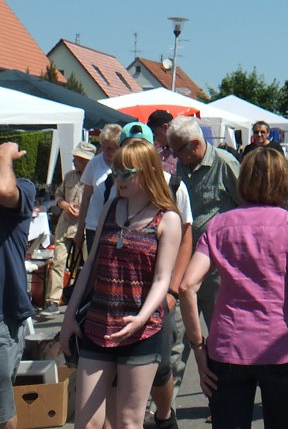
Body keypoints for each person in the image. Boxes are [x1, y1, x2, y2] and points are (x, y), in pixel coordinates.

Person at [179, 146, 288, 429]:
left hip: (228, 346)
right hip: (282, 346)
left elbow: (186, 286)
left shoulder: (219, 225)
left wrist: (198, 347)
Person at [59, 138, 182, 429]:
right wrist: (68, 317)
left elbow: (163, 278)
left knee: (129, 421)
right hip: (98, 323)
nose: (120, 178)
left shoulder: (168, 219)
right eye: (117, 171)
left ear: (149, 171)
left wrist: (141, 318)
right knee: (86, 423)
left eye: (128, 172)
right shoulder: (111, 206)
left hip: (141, 331)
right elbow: (90, 265)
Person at [167, 116, 240, 389]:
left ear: (195, 145)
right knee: (177, 336)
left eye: (177, 151)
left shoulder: (225, 165)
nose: (173, 156)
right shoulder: (180, 170)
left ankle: (223, 398)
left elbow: (248, 209)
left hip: (219, 269)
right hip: (185, 265)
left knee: (222, 335)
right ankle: (163, 410)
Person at [0, 141, 36, 429]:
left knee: (1, 410)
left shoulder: (23, 187)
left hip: (3, 316)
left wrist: (4, 155)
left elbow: (4, 190)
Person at [40, 140, 97, 316]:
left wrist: (82, 212)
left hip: (86, 226)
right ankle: (53, 301)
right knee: (58, 262)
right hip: (65, 225)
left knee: (89, 265)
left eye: (77, 158)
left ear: (86, 160)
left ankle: (88, 299)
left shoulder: (97, 177)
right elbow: (58, 195)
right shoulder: (70, 175)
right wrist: (64, 204)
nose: (73, 160)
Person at [75, 124, 122, 252]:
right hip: (94, 225)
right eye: (103, 147)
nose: (106, 152)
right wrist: (80, 230)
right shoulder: (94, 163)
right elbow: (85, 198)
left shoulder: (125, 164)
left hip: (116, 226)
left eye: (111, 148)